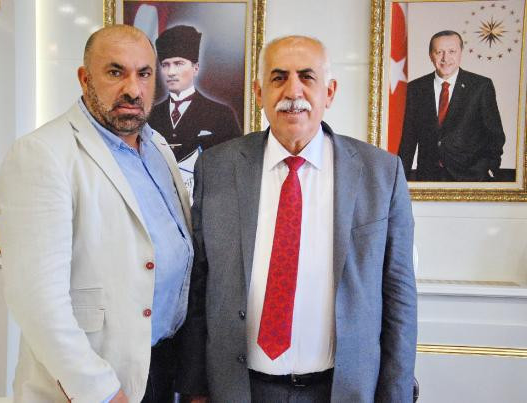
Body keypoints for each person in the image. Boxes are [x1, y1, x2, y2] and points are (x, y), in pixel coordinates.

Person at [176, 35, 417, 402]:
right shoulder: (217, 167)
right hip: (240, 389)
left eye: (307, 76)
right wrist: (194, 388)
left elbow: (399, 295)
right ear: (259, 92)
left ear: (329, 92)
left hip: (341, 390)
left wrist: (395, 395)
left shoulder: (381, 173)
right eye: (278, 77)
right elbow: (199, 283)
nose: (293, 91)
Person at [0, 25, 193, 403]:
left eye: (144, 74)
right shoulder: (42, 154)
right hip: (95, 380)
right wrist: (100, 391)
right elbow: (36, 301)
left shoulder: (158, 149)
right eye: (116, 72)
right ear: (85, 78)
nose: (132, 89)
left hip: (162, 367)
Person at [398, 30, 506, 181]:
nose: (445, 58)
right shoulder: (415, 89)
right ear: (431, 55)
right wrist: (400, 179)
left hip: (471, 178)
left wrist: (488, 168)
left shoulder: (481, 86)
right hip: (428, 178)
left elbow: (495, 135)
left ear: (461, 52)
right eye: (439, 52)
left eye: (452, 51)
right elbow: (408, 140)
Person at [148, 25, 241, 163]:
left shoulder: (221, 114)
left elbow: (235, 163)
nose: (171, 72)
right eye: (165, 65)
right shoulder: (150, 116)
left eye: (178, 64)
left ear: (195, 68)